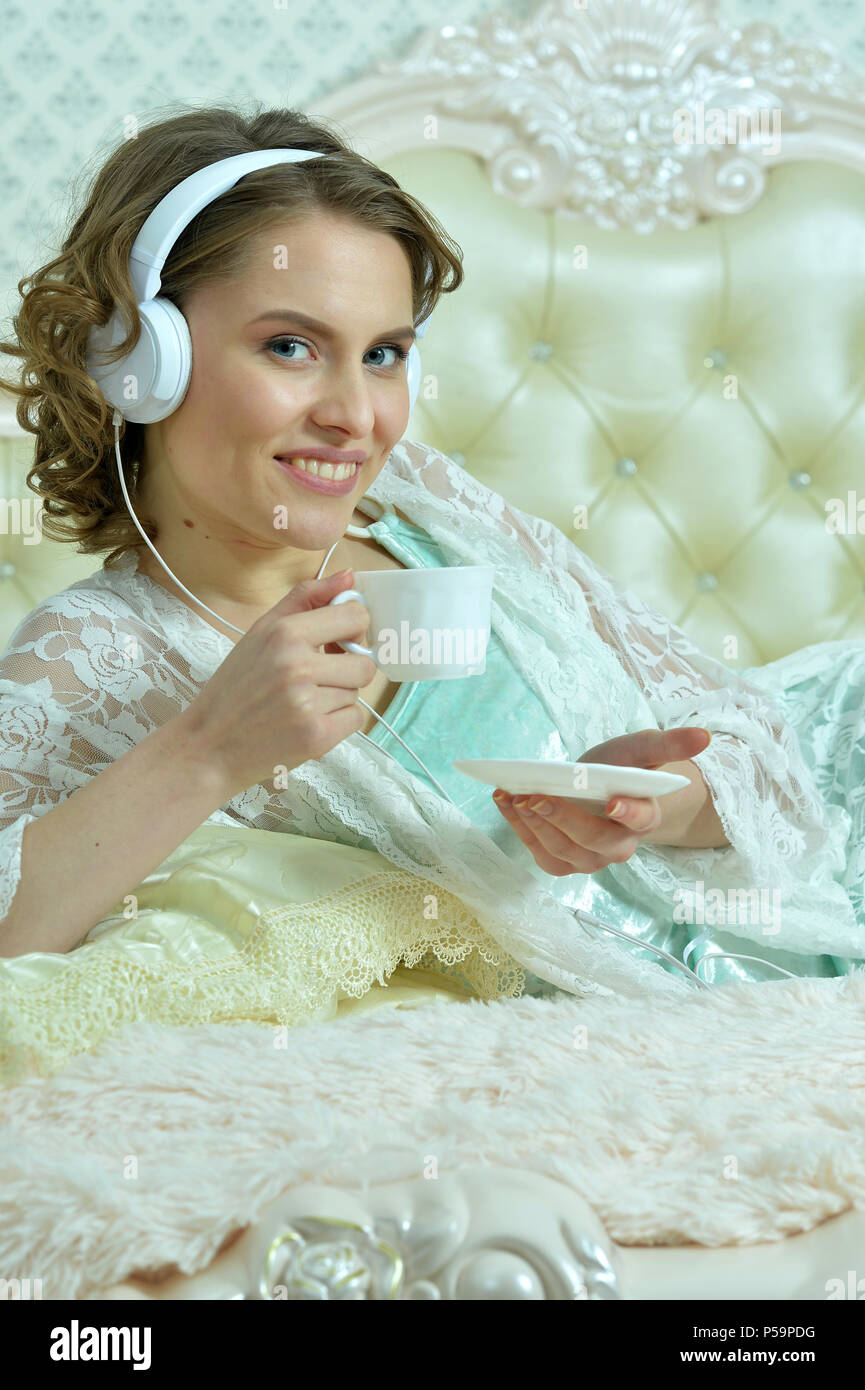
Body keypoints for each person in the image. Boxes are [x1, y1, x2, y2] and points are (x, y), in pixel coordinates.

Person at [0, 104, 862, 1030]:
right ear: (139, 358)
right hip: (644, 1022)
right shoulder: (89, 658)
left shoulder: (424, 506)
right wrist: (209, 750)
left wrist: (655, 804)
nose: (354, 416)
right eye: (290, 346)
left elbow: (756, 739)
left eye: (382, 356)